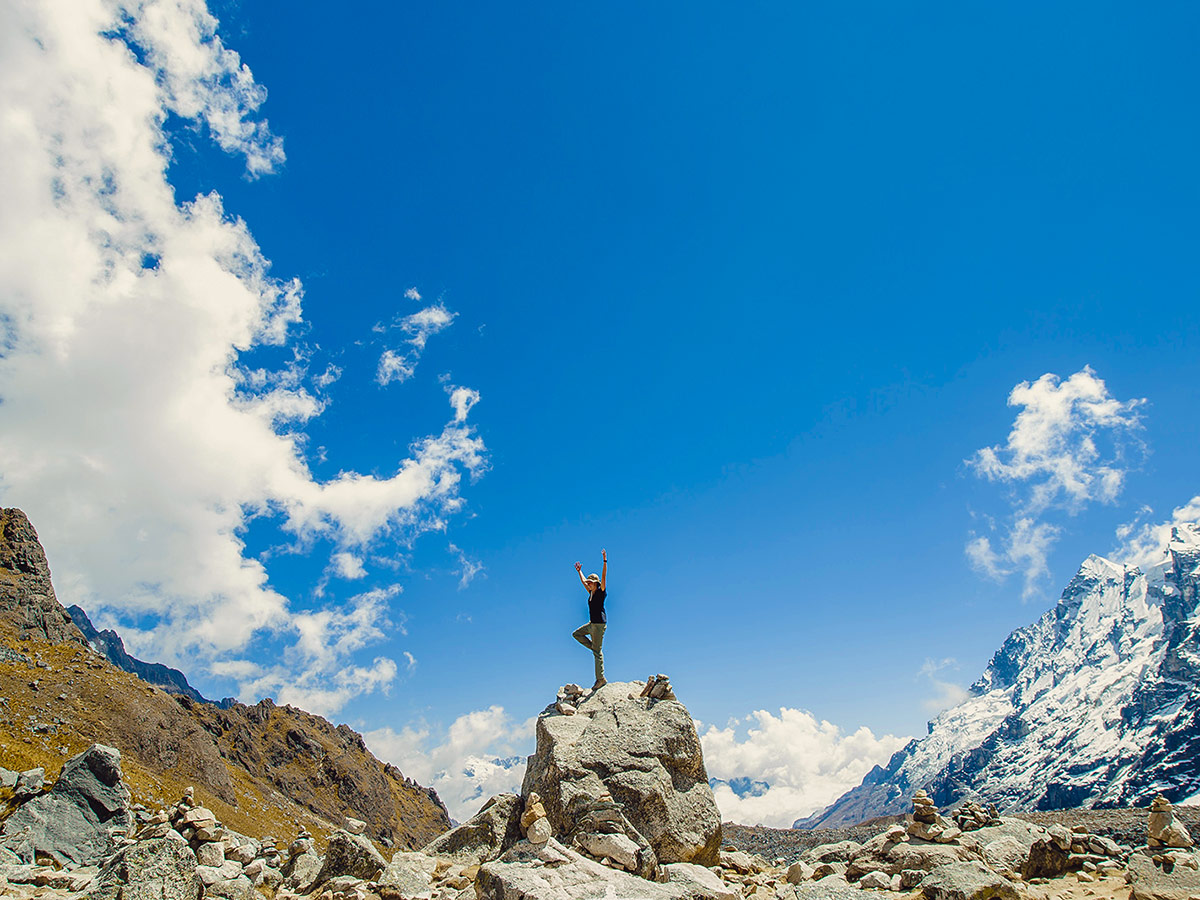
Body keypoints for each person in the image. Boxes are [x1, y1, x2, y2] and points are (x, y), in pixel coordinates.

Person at [572, 549, 607, 689]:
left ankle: (600, 679)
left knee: (597, 653)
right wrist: (579, 571)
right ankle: (594, 647)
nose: (589, 584)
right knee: (576, 634)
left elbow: (604, 577)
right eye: (589, 583)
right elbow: (583, 582)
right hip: (591, 624)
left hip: (599, 625)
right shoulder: (590, 593)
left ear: (596, 584)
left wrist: (605, 561)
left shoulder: (600, 592)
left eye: (591, 583)